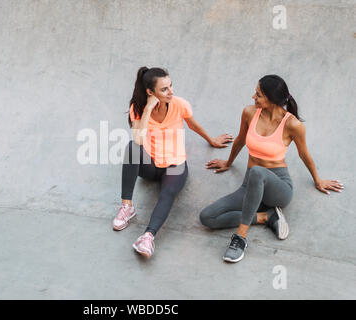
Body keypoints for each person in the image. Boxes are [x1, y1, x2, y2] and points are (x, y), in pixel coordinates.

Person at [200, 74, 344, 263]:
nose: (253, 97)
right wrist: (228, 162)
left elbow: (304, 154)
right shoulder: (249, 113)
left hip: (278, 188)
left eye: (258, 94)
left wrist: (318, 180)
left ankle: (240, 237)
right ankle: (266, 217)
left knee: (258, 171)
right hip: (250, 185)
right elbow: (241, 140)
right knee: (207, 217)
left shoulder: (293, 124)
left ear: (271, 98)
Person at [113, 66, 233, 258]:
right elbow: (138, 139)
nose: (171, 92)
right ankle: (127, 206)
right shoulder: (138, 108)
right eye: (164, 89)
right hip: (150, 166)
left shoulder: (179, 104)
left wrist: (211, 140)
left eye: (171, 86)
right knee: (132, 147)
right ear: (150, 92)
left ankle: (148, 237)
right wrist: (149, 108)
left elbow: (192, 124)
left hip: (175, 165)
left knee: (167, 193)